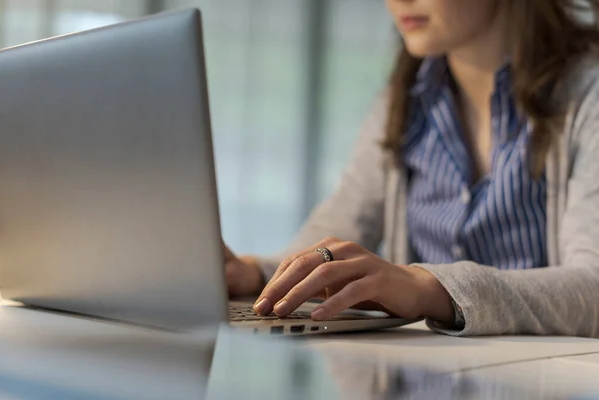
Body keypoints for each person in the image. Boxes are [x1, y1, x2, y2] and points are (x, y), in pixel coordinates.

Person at [225, 0, 599, 337]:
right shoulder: (404, 99)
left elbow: (592, 287)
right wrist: (255, 273)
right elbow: (337, 233)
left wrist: (426, 287)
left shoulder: (587, 92)